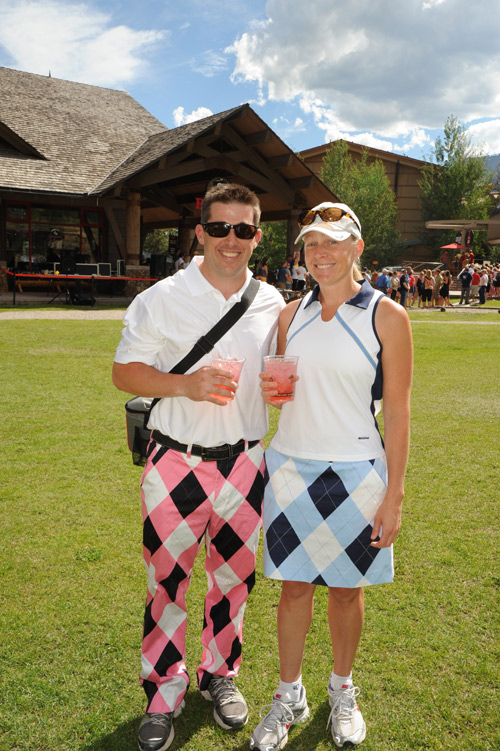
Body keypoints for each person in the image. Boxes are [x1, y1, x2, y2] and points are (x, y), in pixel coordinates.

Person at [112, 182, 285, 751]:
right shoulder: (162, 296)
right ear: (200, 231)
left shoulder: (271, 302)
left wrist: (280, 393)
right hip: (176, 461)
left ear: (257, 236)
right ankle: (164, 689)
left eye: (242, 229)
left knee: (234, 580)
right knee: (167, 581)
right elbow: (125, 374)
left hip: (246, 463)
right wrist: (184, 384)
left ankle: (219, 675)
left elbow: (284, 373)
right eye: (218, 228)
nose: (230, 240)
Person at [250, 202, 412, 750]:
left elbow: (398, 410)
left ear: (357, 248)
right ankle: (287, 694)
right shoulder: (289, 315)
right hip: (291, 465)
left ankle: (342, 688)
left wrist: (395, 494)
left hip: (358, 470)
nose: (322, 253)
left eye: (334, 241)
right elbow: (281, 387)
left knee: (346, 591)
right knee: (293, 588)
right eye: (313, 243)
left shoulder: (387, 315)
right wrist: (273, 394)